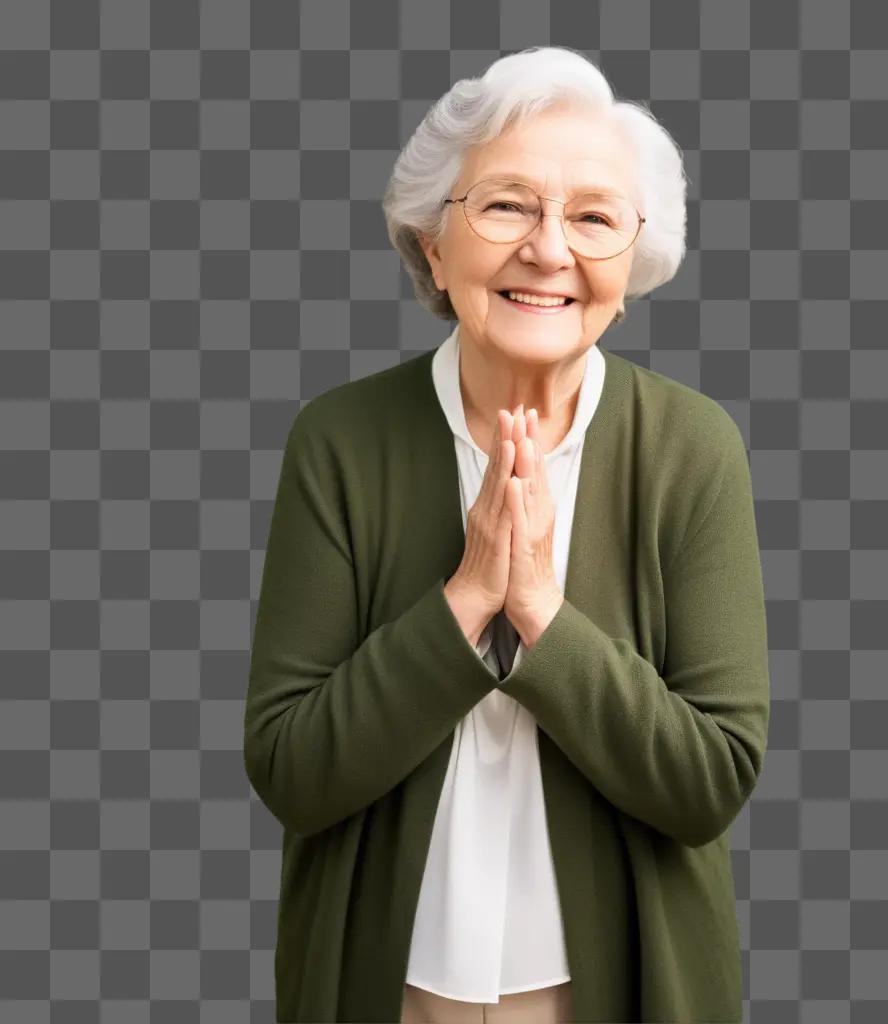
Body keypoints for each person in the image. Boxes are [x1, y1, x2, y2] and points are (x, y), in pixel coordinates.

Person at [244, 45, 770, 1023]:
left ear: (632, 262)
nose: (548, 249)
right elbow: (292, 770)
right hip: (389, 987)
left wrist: (538, 615)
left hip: (619, 989)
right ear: (433, 246)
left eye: (592, 217)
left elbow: (711, 780)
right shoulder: (340, 439)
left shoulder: (694, 447)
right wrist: (461, 603)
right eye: (505, 205)